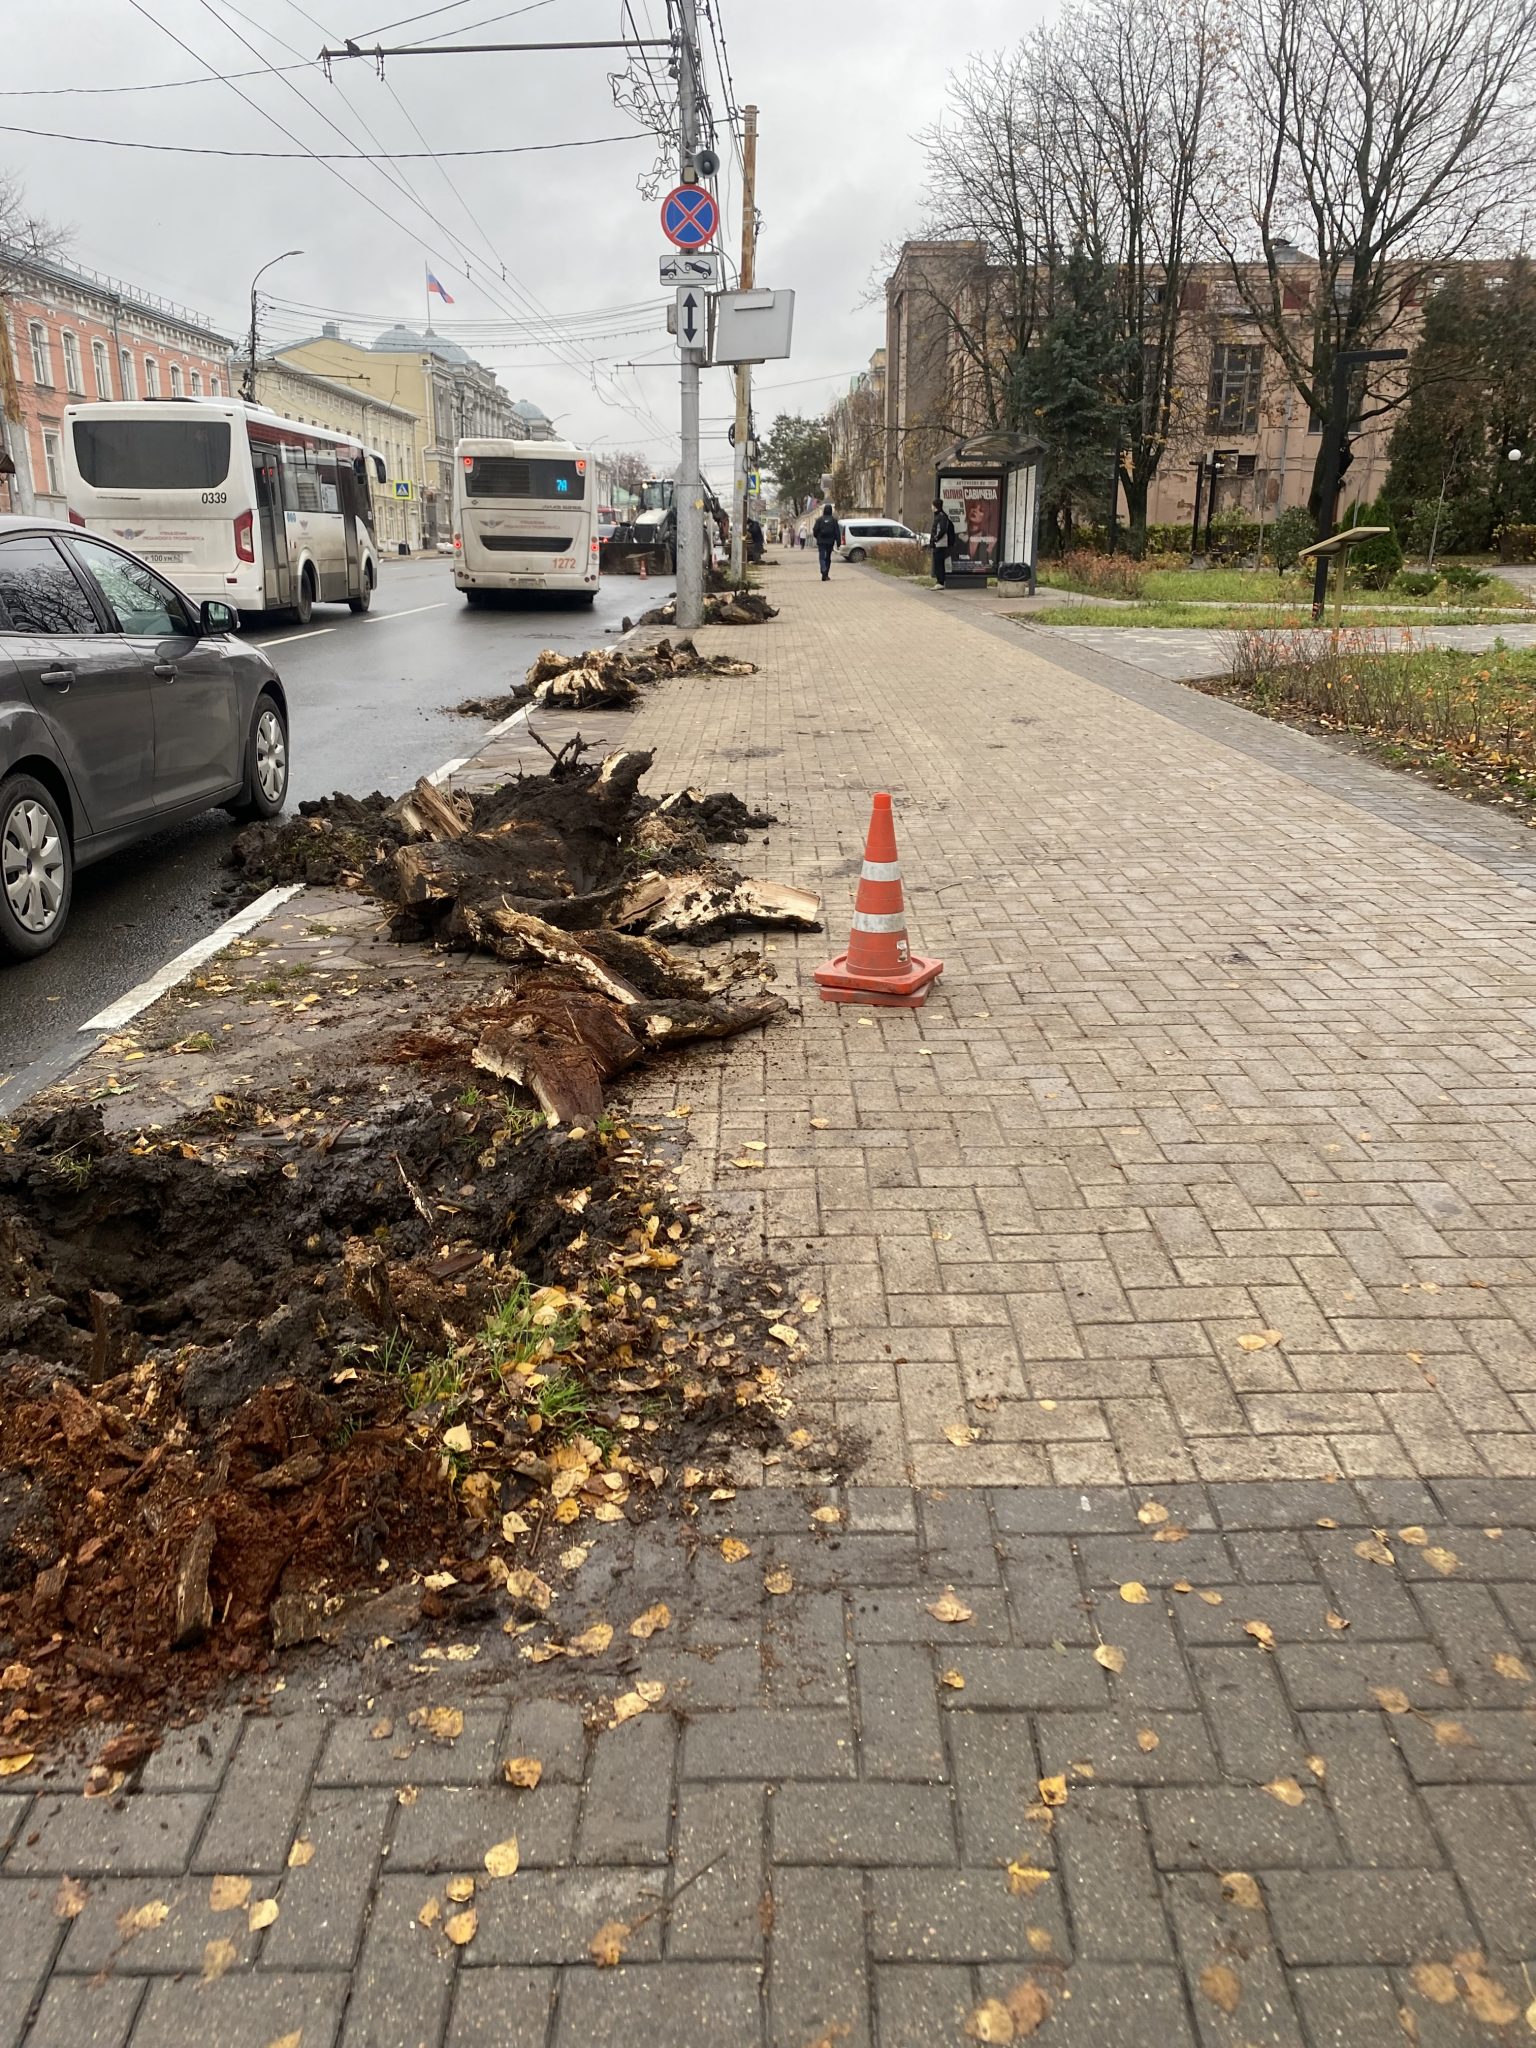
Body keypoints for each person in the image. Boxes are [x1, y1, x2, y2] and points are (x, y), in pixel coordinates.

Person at [929, 497, 957, 587]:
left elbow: (942, 530)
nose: (931, 507)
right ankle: (939, 581)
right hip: (938, 543)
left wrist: (935, 539)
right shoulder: (939, 516)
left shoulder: (941, 516)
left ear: (935, 506)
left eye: (932, 505)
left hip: (941, 543)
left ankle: (940, 582)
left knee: (939, 563)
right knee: (937, 562)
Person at [812, 502, 840, 580]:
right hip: (830, 542)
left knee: (822, 557)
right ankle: (826, 574)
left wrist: (817, 537)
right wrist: (838, 542)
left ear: (824, 510)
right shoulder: (834, 520)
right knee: (828, 557)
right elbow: (837, 532)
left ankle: (823, 569)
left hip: (821, 542)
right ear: (831, 510)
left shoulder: (819, 520)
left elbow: (815, 530)